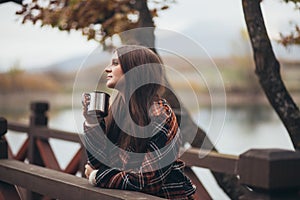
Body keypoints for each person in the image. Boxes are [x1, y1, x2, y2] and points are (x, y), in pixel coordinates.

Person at [82, 45, 196, 199]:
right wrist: (93, 122)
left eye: (115, 63)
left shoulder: (159, 115)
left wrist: (97, 176)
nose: (107, 69)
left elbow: (145, 181)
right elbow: (100, 162)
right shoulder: (119, 110)